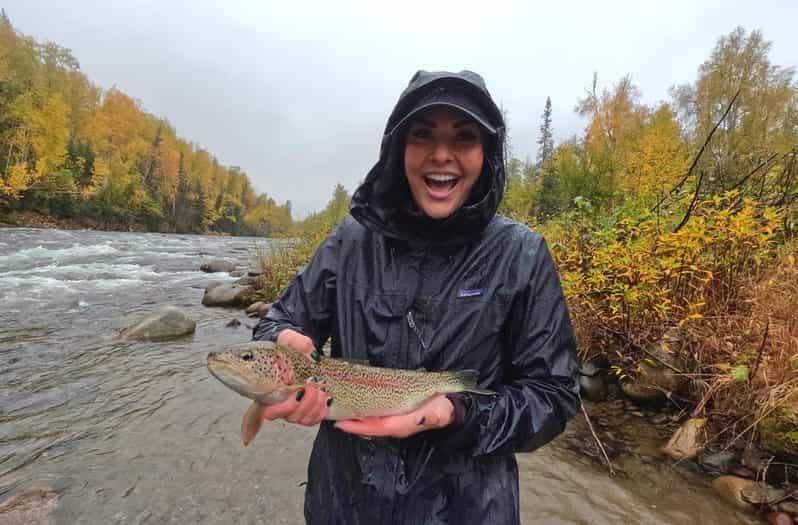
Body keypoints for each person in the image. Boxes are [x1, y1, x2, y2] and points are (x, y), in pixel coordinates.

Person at [253, 70, 580, 525]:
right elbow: (279, 322)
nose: (441, 154)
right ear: (398, 149)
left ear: (486, 155)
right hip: (343, 505)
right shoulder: (350, 240)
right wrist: (282, 345)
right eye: (423, 135)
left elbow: (553, 394)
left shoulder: (521, 255)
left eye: (463, 138)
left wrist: (457, 413)